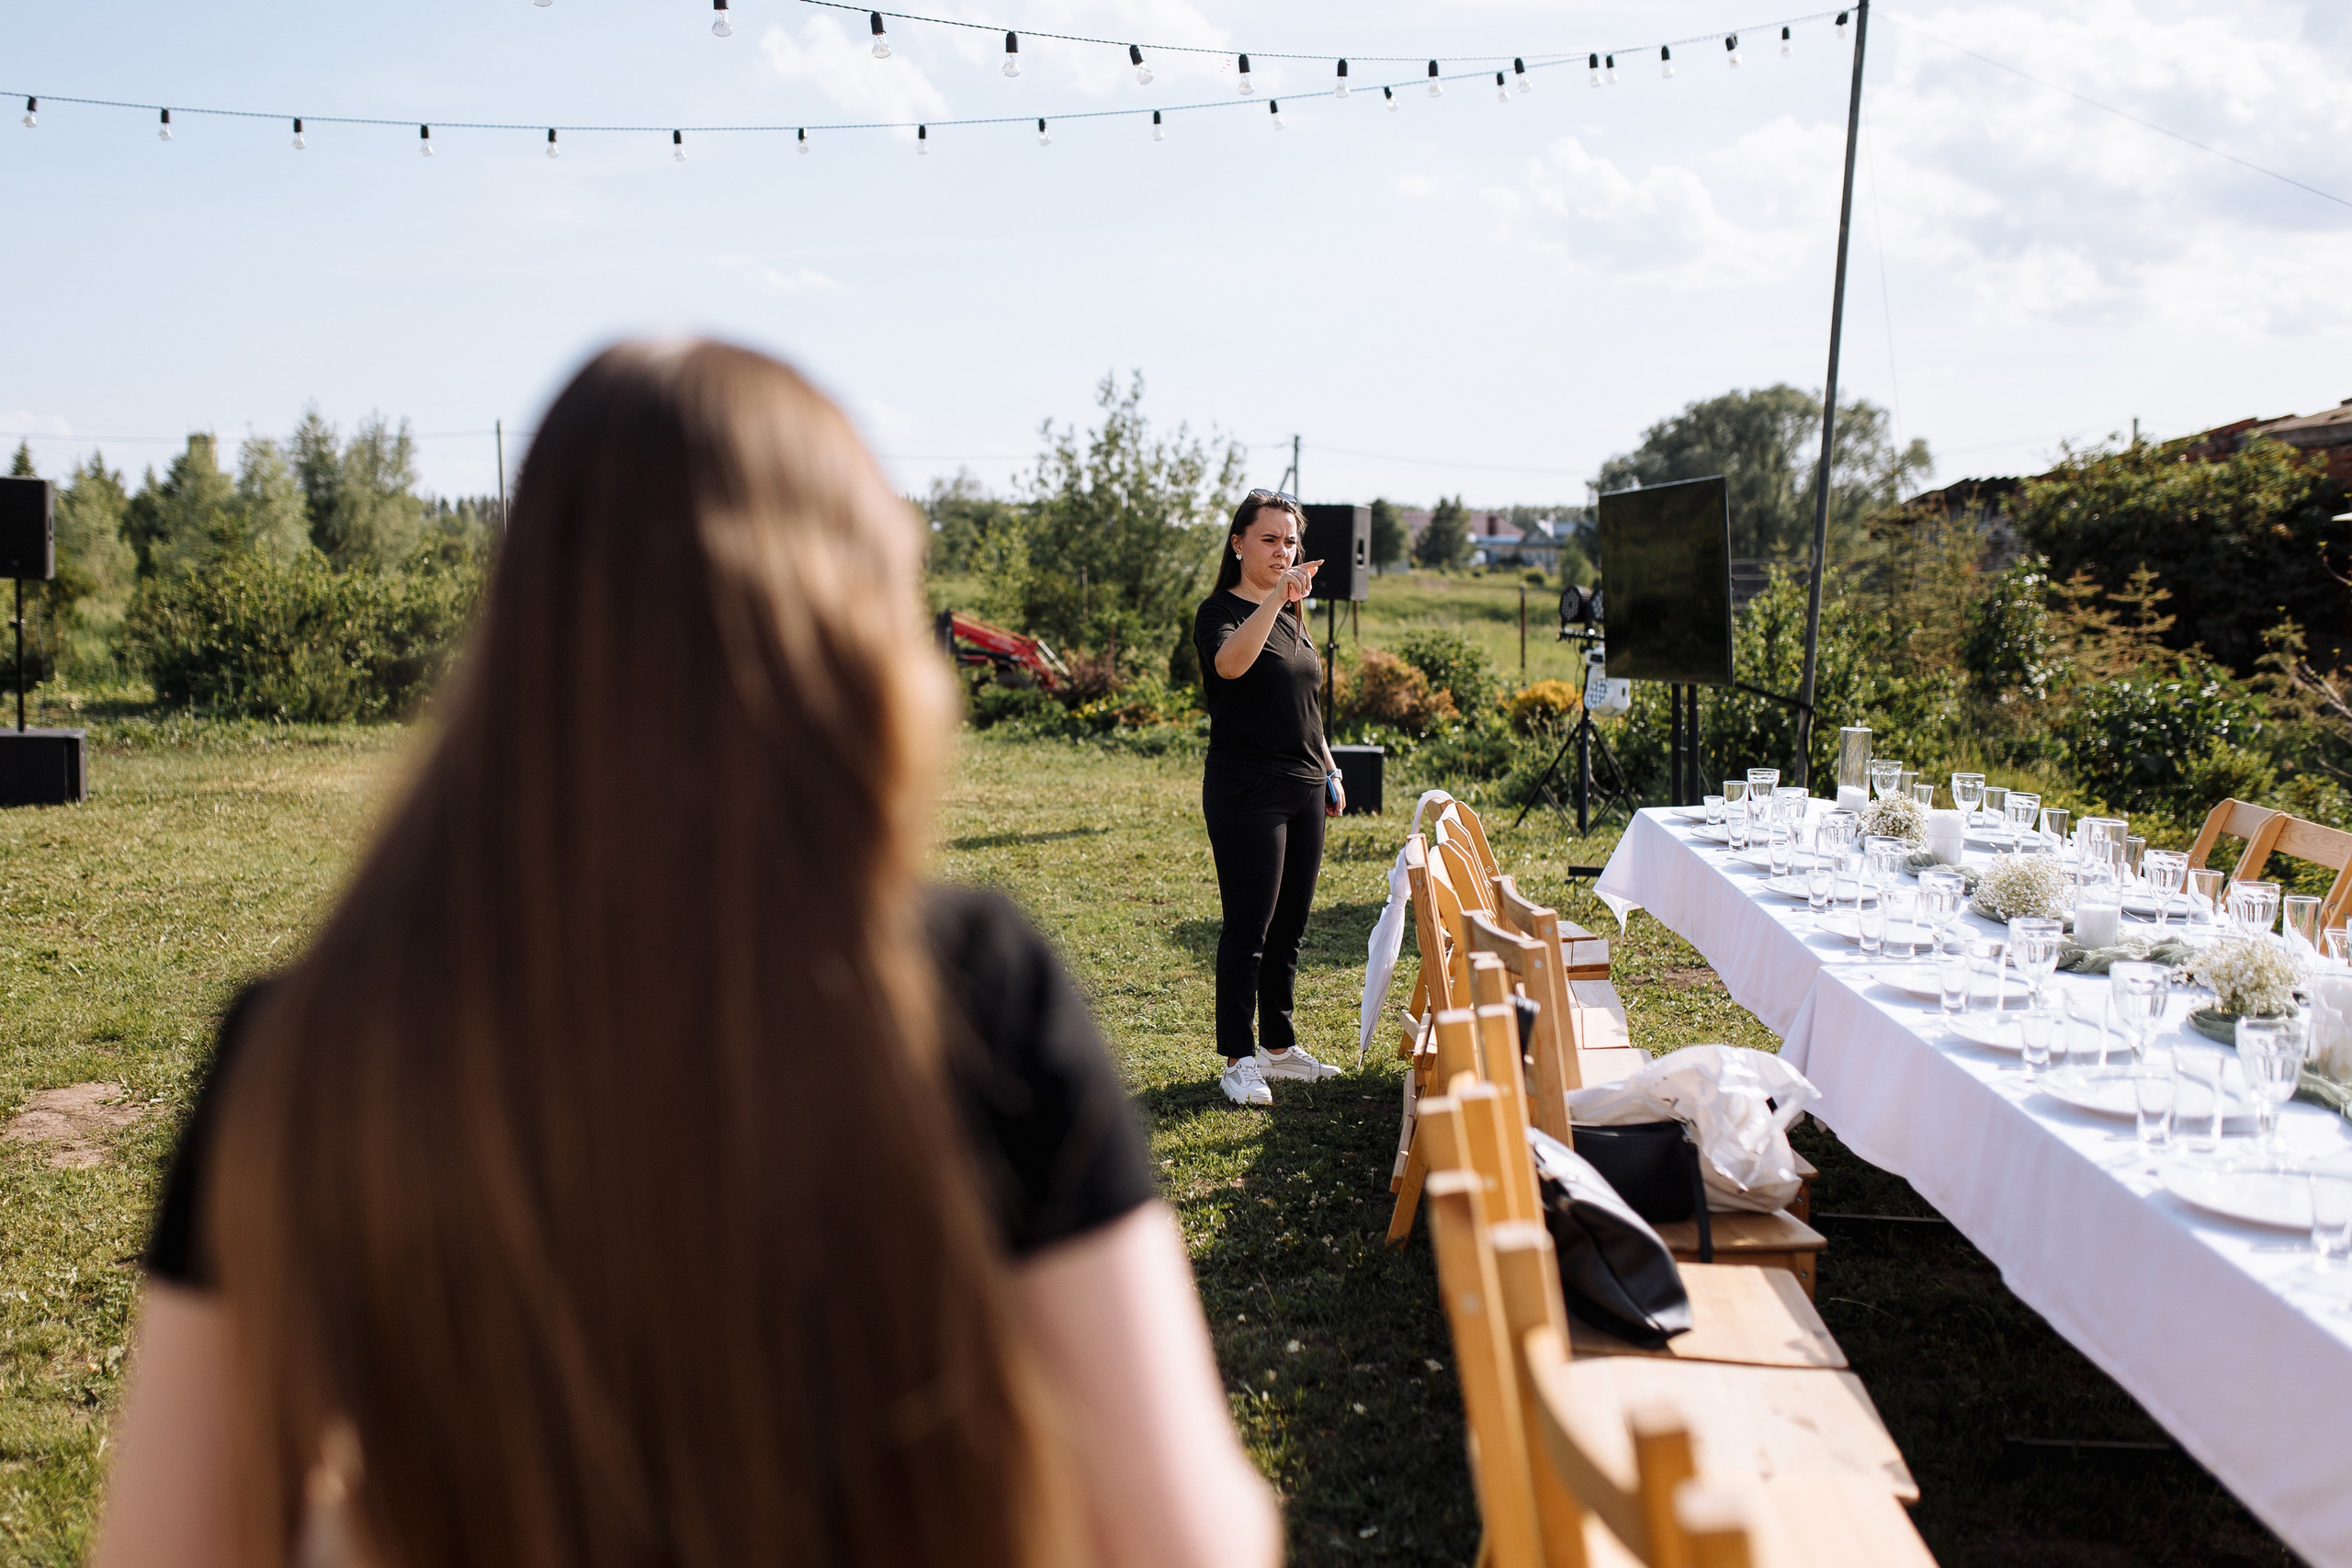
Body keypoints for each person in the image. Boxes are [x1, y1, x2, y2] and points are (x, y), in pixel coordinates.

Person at [92, 341, 1280, 1568]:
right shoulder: (969, 996)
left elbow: (166, 1543)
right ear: (853, 634)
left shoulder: (301, 1048)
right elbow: (1191, 1537)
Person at [1193, 489, 1348, 1108]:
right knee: (1248, 928)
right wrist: (1275, 600)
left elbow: (1303, 705)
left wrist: (1331, 769)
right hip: (1245, 789)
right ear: (1238, 543)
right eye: (1269, 538)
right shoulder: (1220, 611)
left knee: (1290, 928)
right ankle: (1238, 1057)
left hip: (1305, 785)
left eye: (1290, 541)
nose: (1283, 550)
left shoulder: (1293, 616)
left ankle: (1279, 1049)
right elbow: (1231, 665)